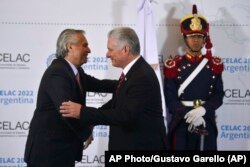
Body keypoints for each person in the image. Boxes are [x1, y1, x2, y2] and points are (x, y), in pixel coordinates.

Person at [60, 27, 168, 150]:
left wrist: (83, 112)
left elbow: (125, 115)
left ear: (125, 49)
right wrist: (91, 120)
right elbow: (118, 103)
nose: (107, 55)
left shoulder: (141, 76)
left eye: (110, 50)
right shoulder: (134, 72)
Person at [24, 29, 117, 167]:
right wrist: (86, 133)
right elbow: (66, 111)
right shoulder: (57, 72)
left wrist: (128, 82)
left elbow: (100, 85)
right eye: (84, 45)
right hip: (47, 153)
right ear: (70, 46)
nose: (89, 50)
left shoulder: (76, 72)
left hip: (62, 150)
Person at [163, 5, 224, 150]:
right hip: (182, 122)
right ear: (185, 38)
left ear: (204, 39)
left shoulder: (213, 64)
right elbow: (169, 98)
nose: (195, 40)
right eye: (191, 37)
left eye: (199, 37)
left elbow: (218, 94)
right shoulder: (174, 65)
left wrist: (203, 110)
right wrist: (189, 113)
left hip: (206, 119)